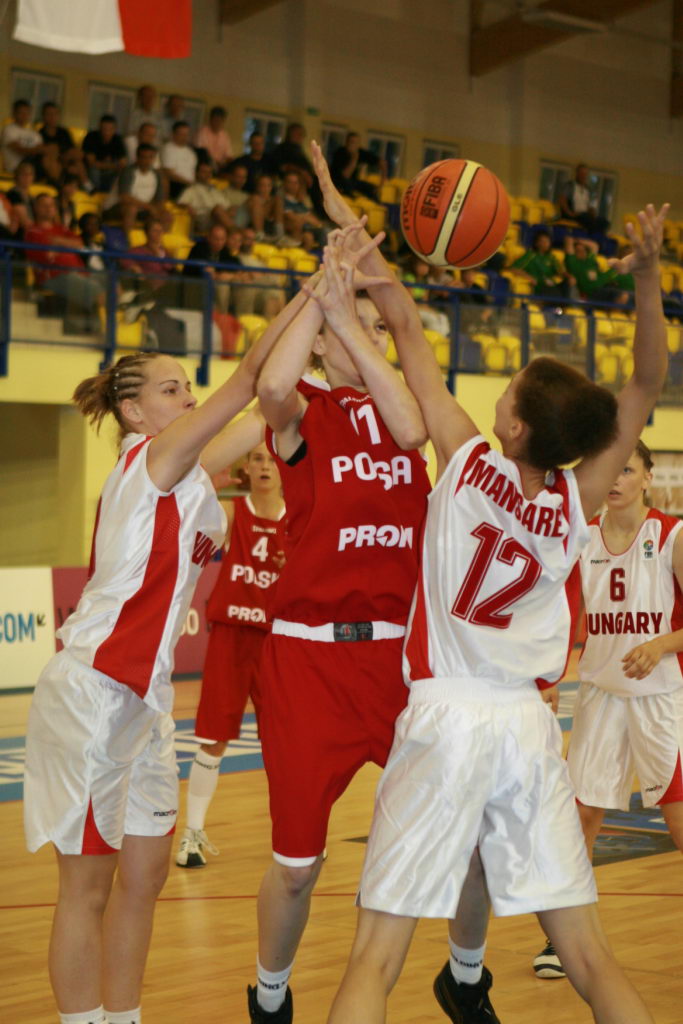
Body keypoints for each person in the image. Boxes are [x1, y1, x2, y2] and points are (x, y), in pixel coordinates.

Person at [313, 141, 667, 1024]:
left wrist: (351, 226)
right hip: (525, 725)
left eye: (506, 392)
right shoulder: (575, 500)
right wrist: (647, 277)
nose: (499, 397)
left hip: (445, 714)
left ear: (509, 427)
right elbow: (646, 379)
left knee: (375, 957)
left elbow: (402, 322)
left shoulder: (464, 458)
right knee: (588, 955)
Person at [22, 287, 322, 1024]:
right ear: (134, 412)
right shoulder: (149, 462)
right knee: (85, 887)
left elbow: (267, 404)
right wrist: (316, 295)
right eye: (171, 389)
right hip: (93, 690)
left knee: (146, 877)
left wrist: (323, 351)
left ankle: (124, 1017)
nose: (187, 396)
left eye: (188, 386)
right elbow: (248, 379)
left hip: (147, 702)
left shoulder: (187, 470)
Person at [246, 223, 430, 1024]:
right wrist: (322, 290)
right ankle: (269, 992)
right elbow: (271, 387)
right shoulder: (306, 415)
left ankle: (460, 975)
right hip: (307, 664)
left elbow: (412, 426)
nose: (368, 334)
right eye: (351, 325)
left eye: (375, 327)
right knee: (296, 866)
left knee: (450, 840)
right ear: (320, 343)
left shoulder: (404, 409)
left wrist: (351, 307)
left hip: (396, 662)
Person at [534, 440, 683, 980]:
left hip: (661, 698)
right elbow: (554, 613)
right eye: (610, 471)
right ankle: (562, 940)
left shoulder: (671, 536)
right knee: (581, 818)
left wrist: (661, 644)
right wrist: (548, 676)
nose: (616, 480)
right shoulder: (582, 539)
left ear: (647, 478)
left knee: (678, 820)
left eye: (628, 470)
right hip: (599, 693)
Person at [176, 442, 286, 867]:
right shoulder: (232, 513)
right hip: (232, 635)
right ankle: (192, 833)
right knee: (213, 737)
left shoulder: (301, 518)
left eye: (272, 459)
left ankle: (300, 833)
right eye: (257, 458)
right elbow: (186, 518)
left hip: (279, 640)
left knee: (286, 743)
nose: (265, 466)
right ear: (247, 467)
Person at [25, 192, 104, 331]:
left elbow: (79, 244)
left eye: (51, 205)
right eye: (44, 205)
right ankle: (96, 332)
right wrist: (67, 244)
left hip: (79, 274)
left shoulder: (61, 229)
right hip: (54, 277)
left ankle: (94, 328)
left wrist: (57, 242)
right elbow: (47, 255)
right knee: (97, 291)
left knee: (111, 282)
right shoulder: (33, 232)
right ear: (36, 208)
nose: (49, 208)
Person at [105, 143, 167, 234]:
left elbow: (160, 200)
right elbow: (124, 198)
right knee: (132, 209)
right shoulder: (128, 172)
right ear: (137, 158)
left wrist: (158, 210)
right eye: (144, 157)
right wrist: (149, 207)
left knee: (166, 215)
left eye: (150, 157)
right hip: (114, 208)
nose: (147, 160)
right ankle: (127, 240)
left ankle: (159, 241)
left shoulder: (156, 175)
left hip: (142, 209)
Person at [512, 228, 571, 299]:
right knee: (557, 296)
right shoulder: (530, 255)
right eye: (543, 241)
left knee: (568, 284)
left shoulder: (551, 257)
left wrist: (569, 277)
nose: (546, 243)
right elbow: (514, 269)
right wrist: (530, 278)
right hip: (540, 286)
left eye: (547, 241)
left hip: (552, 285)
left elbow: (560, 271)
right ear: (536, 243)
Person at [330, 132, 384, 201]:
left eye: (355, 143)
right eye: (351, 142)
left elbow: (383, 163)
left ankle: (376, 205)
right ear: (346, 143)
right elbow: (345, 175)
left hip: (353, 182)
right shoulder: (340, 153)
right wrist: (354, 158)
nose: (352, 145)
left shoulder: (361, 152)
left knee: (373, 190)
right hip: (338, 182)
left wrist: (381, 185)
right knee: (347, 185)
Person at [559, 164, 610, 234]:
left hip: (585, 215)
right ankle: (591, 236)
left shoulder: (587, 189)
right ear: (577, 174)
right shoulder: (570, 186)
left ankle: (598, 237)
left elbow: (587, 205)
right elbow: (562, 201)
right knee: (588, 220)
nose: (583, 176)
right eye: (581, 174)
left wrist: (591, 211)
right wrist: (570, 213)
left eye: (585, 174)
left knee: (604, 222)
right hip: (575, 215)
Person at [82, 115, 127, 193]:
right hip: (92, 172)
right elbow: (91, 162)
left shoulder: (118, 140)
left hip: (110, 173)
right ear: (100, 127)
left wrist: (109, 166)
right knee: (94, 171)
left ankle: (110, 193)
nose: (107, 132)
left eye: (110, 129)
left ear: (114, 129)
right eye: (104, 129)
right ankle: (95, 192)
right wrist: (113, 165)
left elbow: (123, 163)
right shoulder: (91, 137)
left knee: (122, 173)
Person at [1, 98, 42, 175]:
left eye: (27, 113)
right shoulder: (9, 130)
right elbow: (20, 150)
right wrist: (36, 150)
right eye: (21, 113)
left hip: (34, 164)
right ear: (14, 114)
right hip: (17, 167)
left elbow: (41, 148)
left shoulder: (34, 133)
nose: (24, 116)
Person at [161, 121, 198, 201]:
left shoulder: (190, 153)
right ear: (173, 134)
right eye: (181, 134)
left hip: (190, 186)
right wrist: (189, 183)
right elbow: (168, 173)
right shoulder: (168, 148)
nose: (184, 137)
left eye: (186, 134)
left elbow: (193, 172)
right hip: (176, 185)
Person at [195, 105, 234, 173]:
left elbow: (228, 155)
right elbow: (202, 153)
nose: (218, 123)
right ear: (210, 119)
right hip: (205, 166)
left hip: (220, 168)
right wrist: (215, 162)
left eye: (220, 121)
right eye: (216, 120)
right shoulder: (202, 132)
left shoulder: (225, 135)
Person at [247, 174, 284, 240]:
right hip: (252, 227)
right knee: (256, 201)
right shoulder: (253, 199)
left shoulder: (274, 200)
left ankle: (280, 234)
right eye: (262, 185)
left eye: (268, 185)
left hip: (270, 226)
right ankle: (260, 235)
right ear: (257, 187)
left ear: (271, 187)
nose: (266, 188)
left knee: (278, 200)